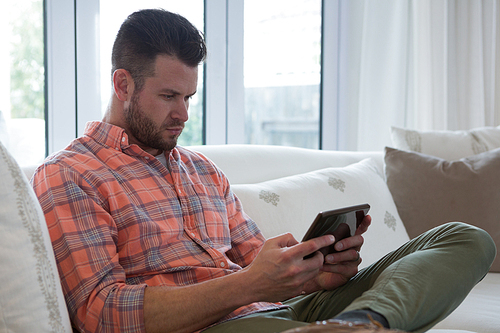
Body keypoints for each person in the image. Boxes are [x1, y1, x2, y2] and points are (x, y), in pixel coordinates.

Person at [31, 8, 496, 333]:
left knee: (463, 238)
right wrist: (249, 284)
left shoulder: (203, 171)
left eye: (189, 97)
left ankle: (359, 324)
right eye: (169, 97)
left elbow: (261, 264)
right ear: (122, 84)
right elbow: (101, 314)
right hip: (222, 326)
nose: (184, 115)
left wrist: (320, 272)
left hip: (288, 309)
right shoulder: (70, 176)